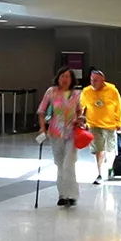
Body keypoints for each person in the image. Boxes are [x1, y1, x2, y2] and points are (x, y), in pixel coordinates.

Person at [39, 67, 85, 208]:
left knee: (68, 164)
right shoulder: (51, 92)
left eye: (68, 77)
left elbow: (81, 112)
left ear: (72, 79)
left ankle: (72, 194)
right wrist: (42, 128)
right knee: (59, 164)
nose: (65, 79)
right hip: (55, 132)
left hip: (72, 132)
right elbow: (41, 110)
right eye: (62, 76)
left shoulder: (77, 94)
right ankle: (62, 195)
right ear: (58, 78)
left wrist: (81, 119)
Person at [82, 70, 121, 182]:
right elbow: (80, 107)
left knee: (110, 149)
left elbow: (119, 107)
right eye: (92, 80)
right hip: (93, 124)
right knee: (99, 149)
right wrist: (79, 120)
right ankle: (100, 173)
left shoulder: (112, 90)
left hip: (110, 125)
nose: (93, 82)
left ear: (102, 80)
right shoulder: (86, 91)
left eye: (96, 80)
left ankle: (110, 167)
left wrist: (120, 123)